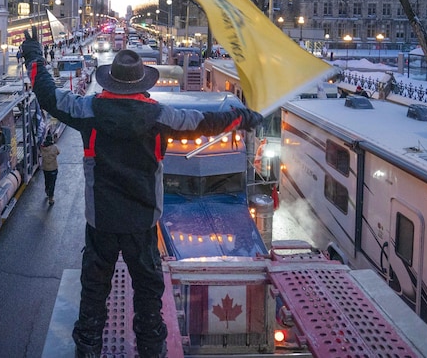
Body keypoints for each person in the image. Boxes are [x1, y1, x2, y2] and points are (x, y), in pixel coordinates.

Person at [20, 30, 262, 358]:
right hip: (143, 222)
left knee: (93, 295)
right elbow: (207, 121)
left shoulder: (87, 111)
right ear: (141, 85)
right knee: (148, 298)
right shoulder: (160, 116)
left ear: (110, 83)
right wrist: (244, 118)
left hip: (101, 223)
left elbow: (48, 96)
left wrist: (35, 56)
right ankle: (150, 350)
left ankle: (88, 349)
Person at [41, 133, 60, 205]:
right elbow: (58, 152)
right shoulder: (55, 147)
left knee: (47, 180)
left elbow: (40, 153)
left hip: (45, 168)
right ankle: (51, 199)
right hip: (53, 168)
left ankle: (47, 190)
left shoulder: (42, 147)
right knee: (52, 183)